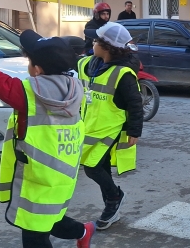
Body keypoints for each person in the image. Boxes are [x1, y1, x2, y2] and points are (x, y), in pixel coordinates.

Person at [0, 30, 95, 248]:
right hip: (64, 173)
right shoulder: (75, 88)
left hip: (37, 176)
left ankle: (83, 231)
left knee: (36, 235)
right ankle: (84, 231)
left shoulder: (27, 94)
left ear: (37, 69)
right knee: (50, 218)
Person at [79, 22, 143, 230]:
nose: (92, 42)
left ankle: (115, 197)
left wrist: (134, 131)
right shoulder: (90, 63)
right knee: (100, 167)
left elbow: (135, 103)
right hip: (91, 127)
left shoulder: (123, 73)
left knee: (92, 167)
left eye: (96, 40)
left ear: (108, 47)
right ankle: (111, 205)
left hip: (110, 129)